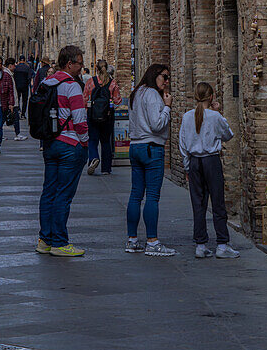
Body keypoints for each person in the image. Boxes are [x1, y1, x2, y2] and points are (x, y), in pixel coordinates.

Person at [36, 46, 89, 257]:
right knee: (63, 195)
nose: (81, 67)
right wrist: (84, 143)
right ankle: (59, 242)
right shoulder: (72, 86)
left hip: (50, 143)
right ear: (69, 64)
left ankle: (44, 240)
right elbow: (80, 121)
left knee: (49, 191)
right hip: (69, 144)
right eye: (79, 63)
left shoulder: (45, 83)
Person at [179, 83, 239, 259]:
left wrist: (187, 166)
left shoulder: (187, 117)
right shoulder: (214, 116)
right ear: (211, 97)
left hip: (195, 161)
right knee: (218, 202)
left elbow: (183, 145)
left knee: (198, 204)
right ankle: (222, 244)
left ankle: (200, 244)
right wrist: (219, 112)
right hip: (211, 160)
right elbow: (228, 134)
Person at [126, 64, 175, 256]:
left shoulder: (136, 93)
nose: (167, 81)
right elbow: (157, 124)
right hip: (151, 148)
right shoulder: (153, 95)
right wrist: (168, 108)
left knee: (135, 195)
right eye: (165, 76)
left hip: (136, 146)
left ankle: (132, 239)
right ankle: (152, 242)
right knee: (152, 196)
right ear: (155, 75)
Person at [84, 61, 121, 175]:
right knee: (106, 142)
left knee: (92, 140)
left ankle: (94, 158)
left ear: (97, 69)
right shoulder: (112, 83)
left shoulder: (91, 82)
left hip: (92, 116)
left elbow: (84, 99)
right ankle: (106, 168)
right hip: (107, 117)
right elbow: (117, 100)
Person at [4, 58, 28, 140]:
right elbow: (8, 90)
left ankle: (16, 134)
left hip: (11, 101)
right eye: (14, 65)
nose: (15, 67)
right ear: (10, 66)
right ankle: (17, 134)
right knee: (15, 118)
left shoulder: (9, 74)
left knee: (8, 118)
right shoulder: (7, 74)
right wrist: (11, 102)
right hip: (11, 102)